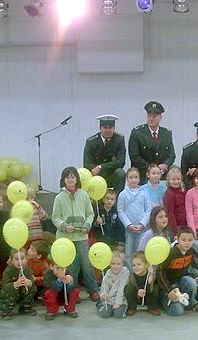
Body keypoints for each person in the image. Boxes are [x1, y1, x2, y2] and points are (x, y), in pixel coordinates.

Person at [52, 167, 99, 302]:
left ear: (77, 179)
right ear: (63, 180)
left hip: (81, 236)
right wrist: (64, 226)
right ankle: (73, 292)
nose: (70, 180)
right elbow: (55, 217)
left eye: (73, 177)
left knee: (87, 264)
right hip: (65, 238)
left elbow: (90, 214)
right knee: (70, 267)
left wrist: (87, 225)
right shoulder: (59, 198)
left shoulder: (84, 195)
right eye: (67, 177)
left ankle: (93, 290)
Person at [158, 226, 198, 315]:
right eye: (183, 240)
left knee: (191, 282)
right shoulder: (171, 252)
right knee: (177, 311)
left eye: (190, 240)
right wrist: (169, 290)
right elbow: (160, 272)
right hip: (168, 285)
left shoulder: (191, 251)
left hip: (181, 282)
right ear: (177, 239)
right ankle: (166, 300)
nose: (187, 243)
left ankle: (191, 303)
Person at [129, 101, 175, 184]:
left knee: (175, 171)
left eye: (154, 116)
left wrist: (166, 164)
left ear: (160, 117)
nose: (151, 119)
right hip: (144, 171)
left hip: (162, 171)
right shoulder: (137, 133)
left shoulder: (166, 133)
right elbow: (134, 156)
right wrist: (152, 168)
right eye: (149, 116)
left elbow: (171, 155)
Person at [117, 167, 152, 270]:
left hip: (142, 229)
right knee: (128, 253)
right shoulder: (123, 195)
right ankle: (130, 274)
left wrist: (142, 224)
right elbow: (121, 211)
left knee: (140, 252)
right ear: (127, 179)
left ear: (139, 178)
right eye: (131, 177)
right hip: (129, 230)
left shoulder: (144, 193)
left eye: (136, 177)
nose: (133, 180)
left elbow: (148, 210)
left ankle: (140, 272)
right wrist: (129, 225)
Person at [84, 114, 126, 193]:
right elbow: (87, 164)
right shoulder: (91, 142)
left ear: (114, 128)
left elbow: (121, 162)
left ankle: (117, 202)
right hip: (96, 176)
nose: (108, 130)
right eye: (105, 128)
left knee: (121, 173)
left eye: (110, 128)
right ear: (100, 128)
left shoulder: (119, 139)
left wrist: (101, 167)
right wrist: (96, 170)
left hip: (111, 174)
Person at [0, 248, 37, 320]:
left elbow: (31, 281)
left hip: (22, 291)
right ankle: (6, 311)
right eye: (17, 259)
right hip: (12, 292)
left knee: (32, 289)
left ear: (26, 259)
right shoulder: (8, 271)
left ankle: (25, 307)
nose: (20, 262)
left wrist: (29, 283)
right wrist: (15, 284)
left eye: (22, 258)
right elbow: (4, 285)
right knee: (6, 293)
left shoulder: (27, 269)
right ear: (12, 260)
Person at [124, 251, 161, 316]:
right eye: (134, 265)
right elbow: (133, 288)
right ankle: (132, 308)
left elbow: (151, 289)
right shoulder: (132, 277)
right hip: (137, 298)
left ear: (146, 265)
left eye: (139, 264)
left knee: (155, 288)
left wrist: (151, 276)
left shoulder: (151, 274)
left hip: (148, 297)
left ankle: (152, 307)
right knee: (128, 288)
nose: (136, 267)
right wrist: (137, 292)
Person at [97, 251, 130, 319]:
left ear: (122, 264)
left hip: (121, 299)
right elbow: (104, 288)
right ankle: (99, 304)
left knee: (118, 315)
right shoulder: (107, 275)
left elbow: (121, 288)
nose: (116, 266)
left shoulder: (125, 273)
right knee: (104, 315)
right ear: (109, 264)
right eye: (113, 264)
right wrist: (103, 295)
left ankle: (118, 308)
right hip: (109, 300)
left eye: (118, 264)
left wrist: (118, 302)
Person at [163, 166, 187, 235]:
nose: (176, 181)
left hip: (186, 223)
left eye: (178, 179)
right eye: (173, 179)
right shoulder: (169, 194)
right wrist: (175, 231)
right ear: (168, 180)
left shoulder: (184, 190)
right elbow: (170, 214)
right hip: (176, 226)